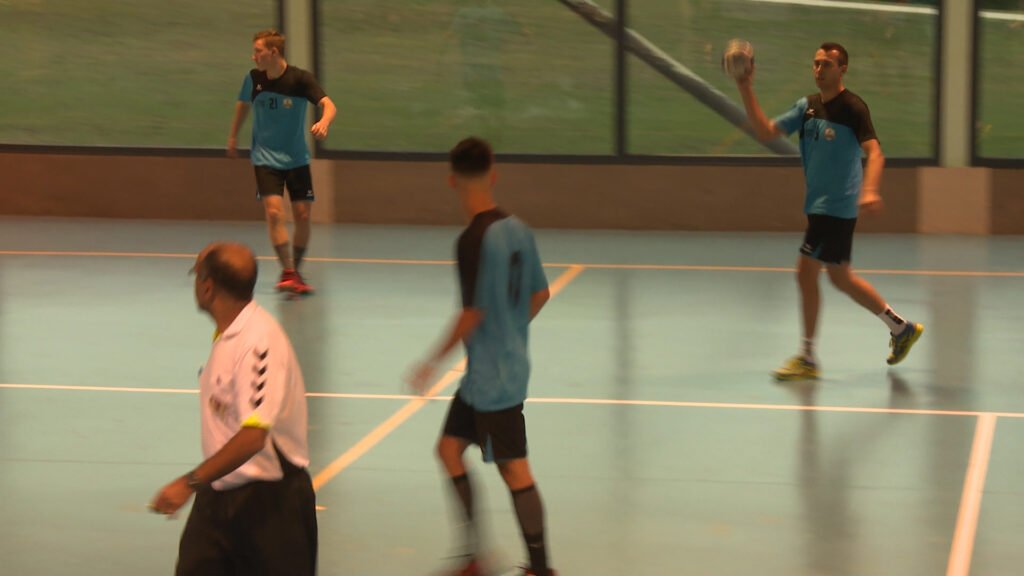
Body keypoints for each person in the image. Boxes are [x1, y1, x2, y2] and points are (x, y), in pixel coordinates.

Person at [732, 42, 924, 380]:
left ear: (842, 69)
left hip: (836, 207)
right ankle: (901, 328)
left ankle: (807, 356)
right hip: (819, 206)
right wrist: (745, 86)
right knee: (840, 278)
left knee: (805, 272)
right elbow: (766, 131)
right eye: (816, 63)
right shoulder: (806, 107)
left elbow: (876, 154)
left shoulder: (853, 108)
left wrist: (870, 190)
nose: (819, 69)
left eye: (827, 65)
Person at [408, 137, 556, 576]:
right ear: (493, 174)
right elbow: (541, 293)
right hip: (489, 375)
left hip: (494, 380)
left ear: (452, 180)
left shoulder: (472, 241)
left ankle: (542, 568)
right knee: (449, 450)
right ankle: (474, 555)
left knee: (514, 470)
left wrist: (430, 362)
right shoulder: (518, 228)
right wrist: (511, 331)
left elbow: (472, 313)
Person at [150, 242, 317, 575]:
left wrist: (189, 482)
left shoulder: (258, 342)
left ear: (208, 287)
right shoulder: (229, 332)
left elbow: (254, 437)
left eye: (198, 277)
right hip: (218, 495)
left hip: (270, 507)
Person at [227, 29, 336, 295]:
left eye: (258, 52)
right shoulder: (253, 80)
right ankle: (287, 271)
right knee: (275, 212)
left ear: (273, 53)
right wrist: (233, 135)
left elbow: (329, 104)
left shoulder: (300, 79)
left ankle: (295, 270)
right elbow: (243, 105)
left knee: (302, 215)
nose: (253, 57)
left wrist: (323, 121)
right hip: (265, 157)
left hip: (296, 158)